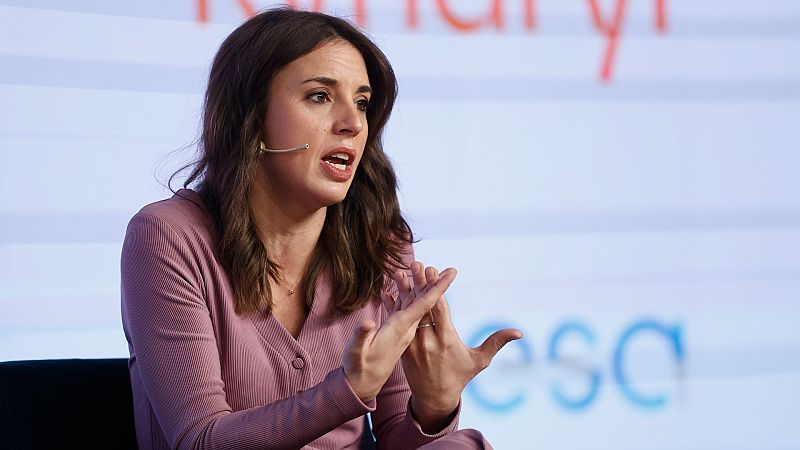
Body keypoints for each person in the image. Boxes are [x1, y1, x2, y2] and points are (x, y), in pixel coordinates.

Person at [121, 7, 522, 450]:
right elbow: (199, 441)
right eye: (319, 96)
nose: (352, 124)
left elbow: (401, 442)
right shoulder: (168, 237)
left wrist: (435, 408)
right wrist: (344, 391)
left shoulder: (381, 243)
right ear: (250, 117)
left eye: (363, 103)